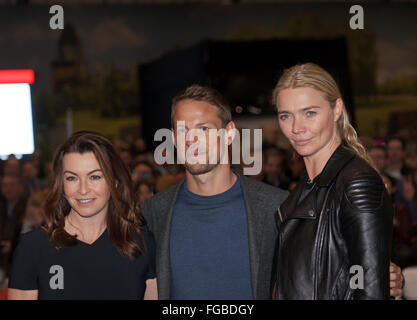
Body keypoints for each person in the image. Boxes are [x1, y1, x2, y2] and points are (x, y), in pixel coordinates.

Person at [142, 84, 403, 300]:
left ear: (229, 133)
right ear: (173, 138)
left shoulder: (277, 207)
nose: (191, 140)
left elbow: (322, 266)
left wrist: (378, 274)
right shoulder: (153, 213)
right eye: (182, 130)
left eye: (204, 129)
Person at [271, 63, 394, 299]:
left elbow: (369, 291)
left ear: (336, 109)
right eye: (285, 116)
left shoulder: (357, 184)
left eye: (310, 113)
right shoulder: (304, 187)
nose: (296, 128)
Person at [8, 131, 157, 300]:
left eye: (94, 176)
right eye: (72, 178)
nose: (83, 189)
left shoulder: (141, 244)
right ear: (61, 184)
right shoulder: (32, 248)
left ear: (114, 182)